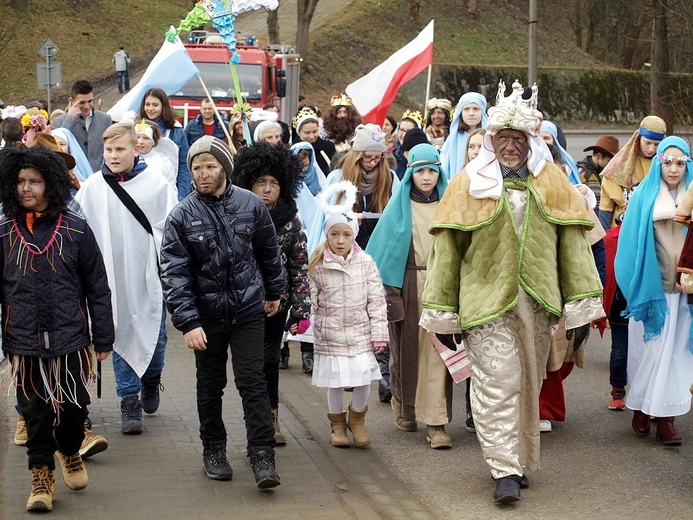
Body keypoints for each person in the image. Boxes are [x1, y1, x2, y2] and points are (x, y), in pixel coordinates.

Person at [419, 80, 604, 504]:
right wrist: (443, 315)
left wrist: (580, 309)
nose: (510, 146)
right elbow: (446, 252)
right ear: (491, 141)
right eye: (502, 138)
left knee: (526, 383)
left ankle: (516, 461)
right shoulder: (467, 184)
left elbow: (573, 249)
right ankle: (503, 469)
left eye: (517, 139)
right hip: (484, 304)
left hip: (537, 306)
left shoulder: (551, 183)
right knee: (496, 384)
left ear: (529, 142)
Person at [160, 136, 284, 488]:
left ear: (224, 168)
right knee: (210, 386)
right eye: (196, 168)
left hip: (248, 309)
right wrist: (188, 323)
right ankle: (213, 449)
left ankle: (262, 454)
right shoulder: (181, 216)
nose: (203, 173)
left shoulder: (250, 204)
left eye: (210, 166)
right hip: (207, 316)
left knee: (253, 383)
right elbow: (174, 273)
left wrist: (274, 292)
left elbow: (268, 251)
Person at [0, 146, 114, 512]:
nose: (26, 188)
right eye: (20, 182)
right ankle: (41, 477)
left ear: (50, 184)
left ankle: (68, 451)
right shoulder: (3, 232)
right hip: (24, 343)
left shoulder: (75, 228)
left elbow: (98, 285)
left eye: (34, 181)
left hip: (71, 342)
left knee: (73, 411)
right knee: (35, 415)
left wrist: (104, 336)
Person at [75, 123, 177, 435]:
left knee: (156, 336)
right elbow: (79, 228)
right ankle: (128, 399)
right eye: (109, 150)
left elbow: (172, 229)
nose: (114, 155)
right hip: (110, 274)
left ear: (136, 149)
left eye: (120, 149)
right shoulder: (93, 187)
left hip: (147, 273)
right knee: (118, 332)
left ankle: (151, 377)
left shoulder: (156, 184)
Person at [367, 143, 453, 447]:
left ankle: (436, 422)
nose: (427, 177)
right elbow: (381, 255)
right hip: (411, 286)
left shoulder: (451, 206)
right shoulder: (397, 210)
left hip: (444, 287)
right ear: (411, 174)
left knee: (439, 355)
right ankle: (406, 406)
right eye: (420, 171)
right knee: (408, 354)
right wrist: (391, 297)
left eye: (432, 170)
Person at [615, 136, 693, 445]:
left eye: (681, 162)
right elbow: (628, 248)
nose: (674, 169)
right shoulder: (643, 199)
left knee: (675, 355)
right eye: (668, 162)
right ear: (658, 162)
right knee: (653, 353)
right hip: (652, 293)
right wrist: (634, 286)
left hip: (685, 292)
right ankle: (641, 406)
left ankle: (665, 418)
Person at [233, 141, 311, 446]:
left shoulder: (290, 220)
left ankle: (271, 418)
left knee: (268, 360)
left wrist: (300, 309)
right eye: (260, 182)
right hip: (241, 304)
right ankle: (256, 416)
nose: (267, 189)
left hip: (275, 306)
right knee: (248, 365)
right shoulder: (237, 214)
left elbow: (299, 267)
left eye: (274, 183)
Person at [308, 187, 388, 448]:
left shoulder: (365, 263)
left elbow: (376, 300)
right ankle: (338, 425)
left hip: (360, 334)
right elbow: (311, 300)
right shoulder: (318, 266)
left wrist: (379, 334)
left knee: (363, 378)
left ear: (353, 235)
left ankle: (357, 419)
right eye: (334, 234)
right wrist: (307, 323)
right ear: (327, 236)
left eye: (346, 234)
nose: (340, 240)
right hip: (331, 335)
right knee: (336, 382)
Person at [599, 115, 666, 229]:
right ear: (639, 138)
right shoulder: (618, 166)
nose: (651, 149)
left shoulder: (666, 165)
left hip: (658, 225)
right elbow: (606, 207)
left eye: (656, 144)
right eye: (648, 143)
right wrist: (604, 237)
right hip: (623, 225)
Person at [139, 87, 192, 200]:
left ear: (163, 106)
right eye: (147, 104)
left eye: (155, 105)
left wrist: (181, 196)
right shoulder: (135, 128)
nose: (150, 108)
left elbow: (184, 166)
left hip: (170, 191)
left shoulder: (176, 130)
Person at [52, 80, 113, 173]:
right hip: (75, 179)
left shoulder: (105, 119)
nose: (87, 106)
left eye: (90, 101)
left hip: (101, 177)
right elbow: (58, 149)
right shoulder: (59, 122)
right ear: (72, 101)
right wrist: (70, 119)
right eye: (82, 103)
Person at [440, 92, 488, 180]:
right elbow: (443, 168)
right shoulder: (453, 139)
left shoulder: (489, 137)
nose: (471, 113)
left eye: (476, 109)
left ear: (482, 112)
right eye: (466, 109)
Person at [578, 135, 620, 213]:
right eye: (609, 161)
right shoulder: (582, 173)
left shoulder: (606, 172)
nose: (611, 165)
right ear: (599, 156)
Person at [134, 119, 177, 190]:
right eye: (137, 137)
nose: (140, 141)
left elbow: (170, 187)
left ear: (153, 141)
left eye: (146, 138)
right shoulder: (127, 158)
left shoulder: (162, 162)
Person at [293, 107, 335, 175]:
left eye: (315, 131)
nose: (312, 136)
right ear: (299, 133)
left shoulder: (328, 147)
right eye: (307, 133)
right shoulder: (292, 151)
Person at [393, 110, 425, 178]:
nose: (404, 135)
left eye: (408, 131)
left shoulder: (430, 156)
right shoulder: (391, 159)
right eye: (401, 130)